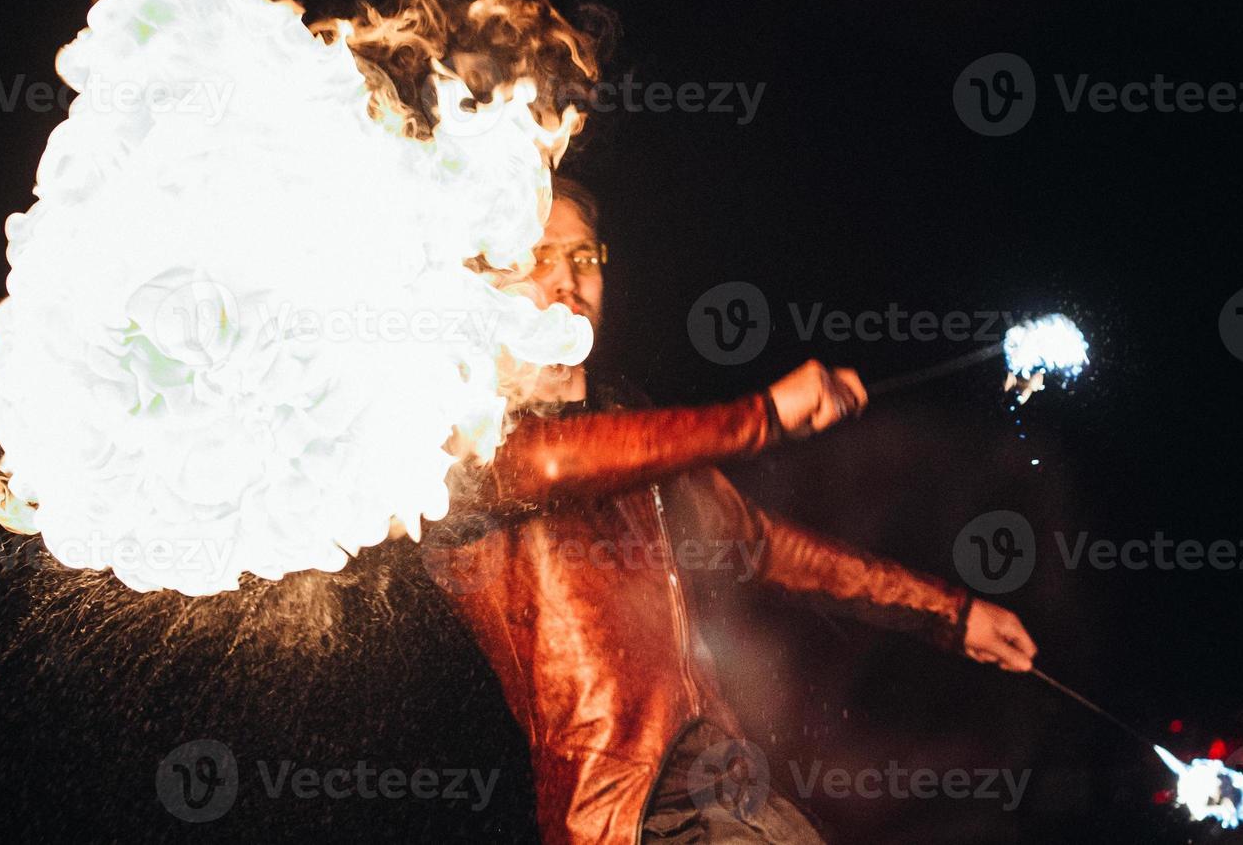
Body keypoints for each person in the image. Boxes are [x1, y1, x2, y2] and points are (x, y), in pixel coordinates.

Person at [426, 174, 1038, 845]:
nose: (567, 275)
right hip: (634, 820)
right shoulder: (462, 444)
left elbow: (767, 548)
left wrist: (952, 613)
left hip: (735, 794)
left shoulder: (637, 437)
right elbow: (552, 463)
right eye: (539, 255)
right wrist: (764, 415)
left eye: (584, 255)